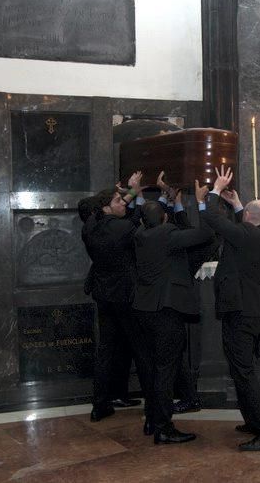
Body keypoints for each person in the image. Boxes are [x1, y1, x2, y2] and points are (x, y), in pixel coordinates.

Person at [199, 166, 260, 451]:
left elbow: (210, 216)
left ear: (247, 218)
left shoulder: (244, 236)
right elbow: (244, 229)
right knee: (241, 369)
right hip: (256, 310)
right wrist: (237, 205)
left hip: (241, 311)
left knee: (243, 372)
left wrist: (215, 190)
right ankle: (253, 421)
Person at [131, 178, 212, 444]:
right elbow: (204, 235)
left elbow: (146, 217)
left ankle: (153, 419)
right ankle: (164, 428)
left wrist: (168, 198)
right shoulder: (167, 235)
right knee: (166, 370)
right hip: (166, 311)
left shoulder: (139, 235)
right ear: (166, 219)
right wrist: (200, 203)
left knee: (154, 368)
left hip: (143, 311)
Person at [82, 172, 151, 423]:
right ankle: (153, 405)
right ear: (105, 206)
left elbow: (120, 213)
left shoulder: (89, 226)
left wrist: (130, 191)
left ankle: (100, 404)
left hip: (103, 296)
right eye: (118, 200)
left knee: (105, 351)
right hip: (126, 296)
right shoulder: (123, 229)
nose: (124, 202)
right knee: (141, 349)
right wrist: (137, 196)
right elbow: (138, 220)